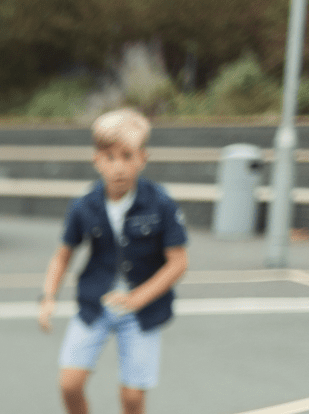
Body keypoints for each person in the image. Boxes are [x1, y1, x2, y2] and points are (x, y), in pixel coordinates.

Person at [37, 108, 189, 414]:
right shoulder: (84, 205)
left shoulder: (160, 203)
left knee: (132, 397)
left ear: (143, 158)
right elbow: (63, 255)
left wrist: (137, 299)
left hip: (143, 310)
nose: (119, 167)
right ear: (96, 160)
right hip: (95, 302)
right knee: (69, 384)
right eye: (109, 157)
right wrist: (48, 297)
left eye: (127, 156)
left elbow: (178, 263)